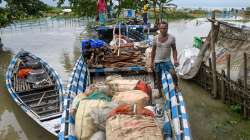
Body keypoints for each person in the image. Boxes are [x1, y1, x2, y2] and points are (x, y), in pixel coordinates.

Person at [151, 21, 179, 92]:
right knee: (158, 78)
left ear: (167, 28)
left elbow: (174, 50)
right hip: (157, 61)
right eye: (161, 28)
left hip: (167, 60)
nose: (163, 30)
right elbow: (153, 51)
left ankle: (176, 86)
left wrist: (175, 60)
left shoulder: (172, 38)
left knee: (173, 73)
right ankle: (159, 92)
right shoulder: (155, 38)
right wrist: (152, 62)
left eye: (165, 28)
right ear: (159, 29)